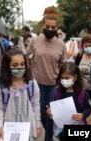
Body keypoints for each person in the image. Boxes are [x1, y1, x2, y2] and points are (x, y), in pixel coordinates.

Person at [26, 5, 66, 141]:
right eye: (47, 26)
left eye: (53, 27)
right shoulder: (35, 40)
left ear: (57, 28)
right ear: (43, 25)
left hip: (53, 85)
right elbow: (26, 58)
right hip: (37, 84)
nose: (50, 29)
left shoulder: (61, 44)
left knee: (51, 114)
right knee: (42, 114)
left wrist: (63, 83)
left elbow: (62, 64)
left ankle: (47, 138)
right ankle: (54, 132)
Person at [0, 48, 42, 141]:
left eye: (22, 64)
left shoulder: (32, 84)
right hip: (10, 128)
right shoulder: (1, 88)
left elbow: (36, 105)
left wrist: (38, 124)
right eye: (15, 65)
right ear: (7, 66)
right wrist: (0, 127)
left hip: (29, 127)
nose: (19, 67)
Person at [46, 62, 91, 141]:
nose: (64, 80)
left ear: (75, 77)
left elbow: (88, 108)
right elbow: (54, 108)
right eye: (62, 78)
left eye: (67, 78)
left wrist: (82, 115)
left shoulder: (82, 93)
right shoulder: (58, 92)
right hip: (62, 129)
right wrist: (50, 111)